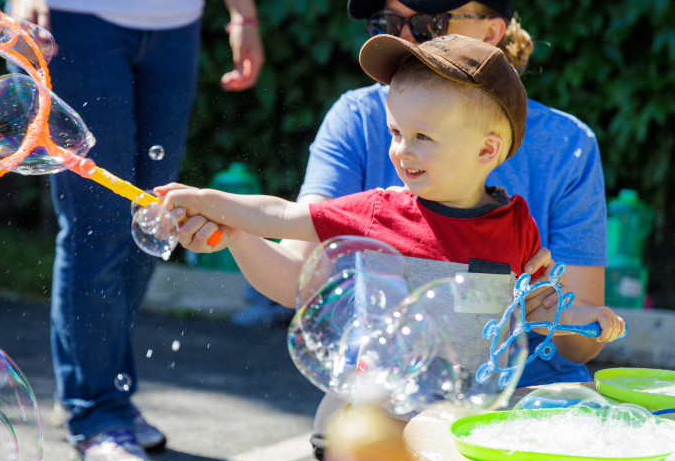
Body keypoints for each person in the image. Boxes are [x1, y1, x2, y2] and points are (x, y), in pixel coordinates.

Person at [157, 34, 625, 354]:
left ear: (487, 150)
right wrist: (210, 205)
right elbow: (282, 216)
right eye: (396, 132)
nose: (401, 151)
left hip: (470, 411)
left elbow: (530, 304)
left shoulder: (517, 225)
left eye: (423, 137)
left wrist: (581, 314)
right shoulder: (381, 210)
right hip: (385, 409)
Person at [0, 0, 265, 461]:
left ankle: (97, 392)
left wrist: (243, 12)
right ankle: (97, 412)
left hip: (174, 18)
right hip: (70, 14)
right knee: (97, 224)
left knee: (154, 218)